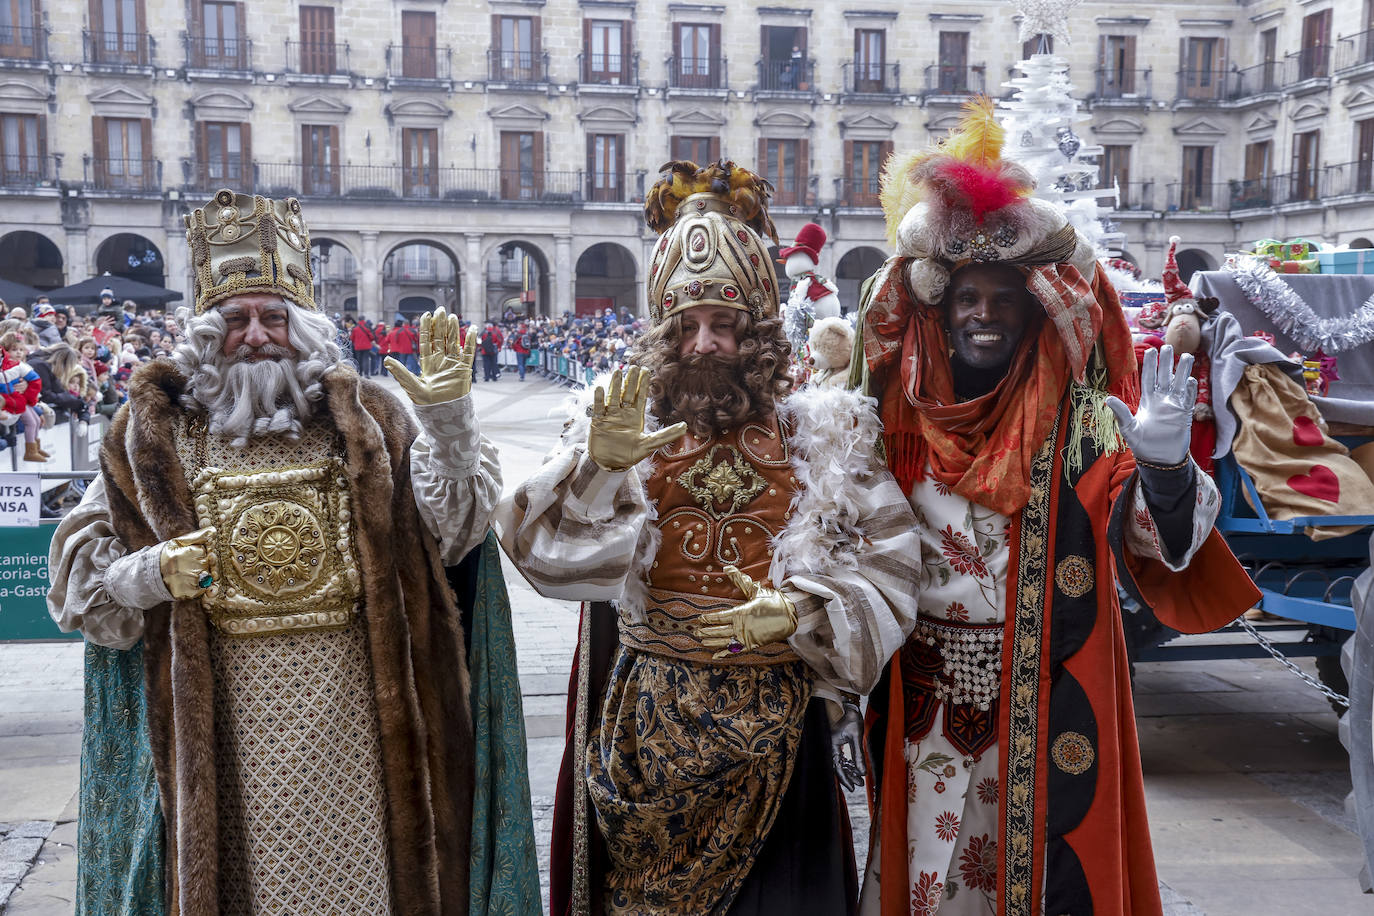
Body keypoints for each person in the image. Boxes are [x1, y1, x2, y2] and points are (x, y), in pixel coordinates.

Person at [48, 189, 538, 915]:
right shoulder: (150, 435)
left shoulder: (367, 419)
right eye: (235, 319)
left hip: (358, 720)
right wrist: (150, 572)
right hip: (220, 725)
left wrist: (450, 429)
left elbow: (453, 539)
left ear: (302, 327)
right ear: (205, 334)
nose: (255, 335)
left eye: (272, 317)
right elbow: (81, 588)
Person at [851, 100, 1258, 915]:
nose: (985, 315)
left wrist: (1169, 467)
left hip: (1044, 697)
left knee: (1041, 884)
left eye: (1005, 298)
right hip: (925, 703)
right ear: (943, 307)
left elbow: (1156, 541)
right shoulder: (892, 419)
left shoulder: (1081, 426)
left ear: (1033, 309)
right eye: (968, 297)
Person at [497, 159, 922, 916]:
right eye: (686, 326)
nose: (702, 344)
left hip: (779, 738)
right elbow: (541, 556)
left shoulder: (822, 437)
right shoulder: (619, 426)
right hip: (644, 723)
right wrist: (597, 467)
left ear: (754, 331)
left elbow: (893, 571)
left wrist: (801, 614)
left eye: (722, 325)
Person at [0, 331, 48, 461]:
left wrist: (28, 387)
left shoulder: (21, 365)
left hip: (23, 399)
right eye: (14, 349)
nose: (18, 353)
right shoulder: (6, 367)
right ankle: (30, 450)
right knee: (31, 423)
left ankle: (36, 447)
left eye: (21, 349)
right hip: (15, 401)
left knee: (37, 420)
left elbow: (33, 381)